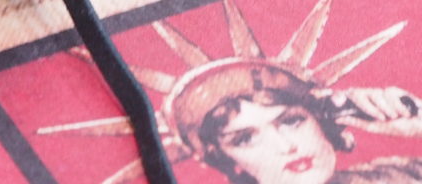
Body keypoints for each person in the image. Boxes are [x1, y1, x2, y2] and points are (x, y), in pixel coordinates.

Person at [174, 63, 422, 184]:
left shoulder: (399, 175)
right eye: (245, 139)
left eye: (292, 122)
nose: (286, 146)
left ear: (320, 121)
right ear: (227, 160)